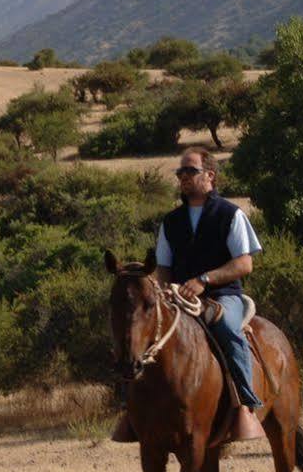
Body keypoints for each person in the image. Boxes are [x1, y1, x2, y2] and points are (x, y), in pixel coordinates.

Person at [111, 146, 266, 443]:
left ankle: (246, 405)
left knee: (228, 330)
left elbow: (244, 263)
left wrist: (204, 280)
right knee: (138, 334)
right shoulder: (171, 221)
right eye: (180, 172)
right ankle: (130, 410)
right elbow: (164, 267)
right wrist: (166, 289)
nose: (183, 177)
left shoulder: (230, 214)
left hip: (223, 297)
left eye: (190, 171)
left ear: (210, 176)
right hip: (177, 298)